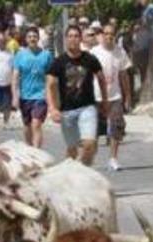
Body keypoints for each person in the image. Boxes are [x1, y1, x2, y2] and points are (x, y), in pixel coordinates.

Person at [46, 25, 108, 166]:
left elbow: (102, 79)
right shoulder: (59, 61)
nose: (73, 39)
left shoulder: (90, 59)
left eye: (76, 36)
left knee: (89, 144)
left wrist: (105, 101)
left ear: (80, 39)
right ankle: (70, 171)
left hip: (87, 107)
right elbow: (49, 85)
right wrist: (52, 108)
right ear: (66, 39)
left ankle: (84, 171)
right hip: (67, 111)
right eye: (70, 36)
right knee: (72, 149)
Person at [91, 24, 132, 171]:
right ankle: (90, 159)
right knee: (93, 130)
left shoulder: (120, 52)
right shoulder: (94, 52)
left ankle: (113, 158)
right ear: (102, 35)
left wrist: (127, 97)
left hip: (115, 96)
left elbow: (124, 75)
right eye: (106, 34)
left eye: (112, 34)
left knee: (117, 126)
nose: (109, 37)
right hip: (96, 97)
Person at [12, 26, 52, 148]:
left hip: (40, 95)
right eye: (29, 37)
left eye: (34, 36)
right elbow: (15, 77)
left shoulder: (46, 55)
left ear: (38, 38)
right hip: (25, 96)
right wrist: (15, 96)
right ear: (26, 39)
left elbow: (50, 77)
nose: (32, 39)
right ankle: (29, 149)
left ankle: (36, 152)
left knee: (36, 124)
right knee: (27, 126)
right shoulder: (20, 54)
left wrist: (50, 97)